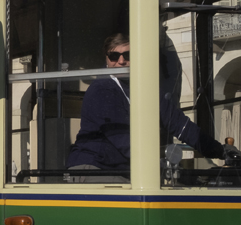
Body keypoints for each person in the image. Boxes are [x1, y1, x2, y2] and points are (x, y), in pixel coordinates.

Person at [66, 33, 224, 179]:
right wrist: (153, 164)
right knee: (130, 203)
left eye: (127, 55)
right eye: (114, 56)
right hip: (92, 167)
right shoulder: (101, 88)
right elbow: (120, 138)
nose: (121, 61)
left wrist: (219, 151)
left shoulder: (145, 87)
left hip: (120, 168)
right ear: (107, 60)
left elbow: (180, 124)